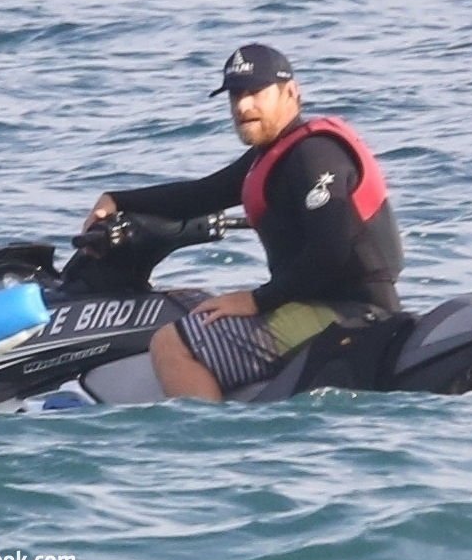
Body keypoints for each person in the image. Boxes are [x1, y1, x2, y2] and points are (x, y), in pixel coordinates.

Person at [83, 43, 405, 400]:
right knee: (194, 305)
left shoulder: (313, 154)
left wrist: (257, 300)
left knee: (173, 343)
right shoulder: (274, 156)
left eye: (255, 92)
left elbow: (332, 251)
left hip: (351, 313)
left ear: (291, 93)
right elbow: (200, 195)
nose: (242, 106)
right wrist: (118, 200)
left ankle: (209, 433)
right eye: (235, 95)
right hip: (319, 304)